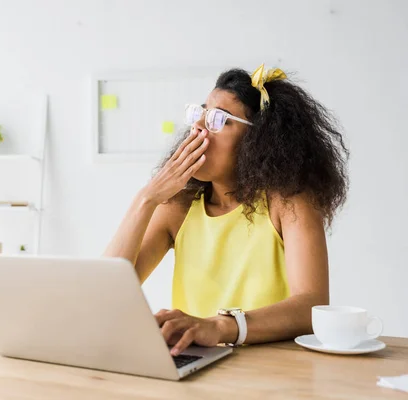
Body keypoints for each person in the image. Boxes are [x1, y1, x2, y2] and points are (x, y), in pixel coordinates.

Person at [104, 64, 349, 356]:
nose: (198, 128)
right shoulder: (180, 208)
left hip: (276, 370)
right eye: (200, 114)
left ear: (260, 140)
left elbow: (311, 305)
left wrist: (221, 327)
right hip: (196, 365)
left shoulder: (289, 202)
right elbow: (106, 293)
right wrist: (147, 198)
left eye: (219, 119)